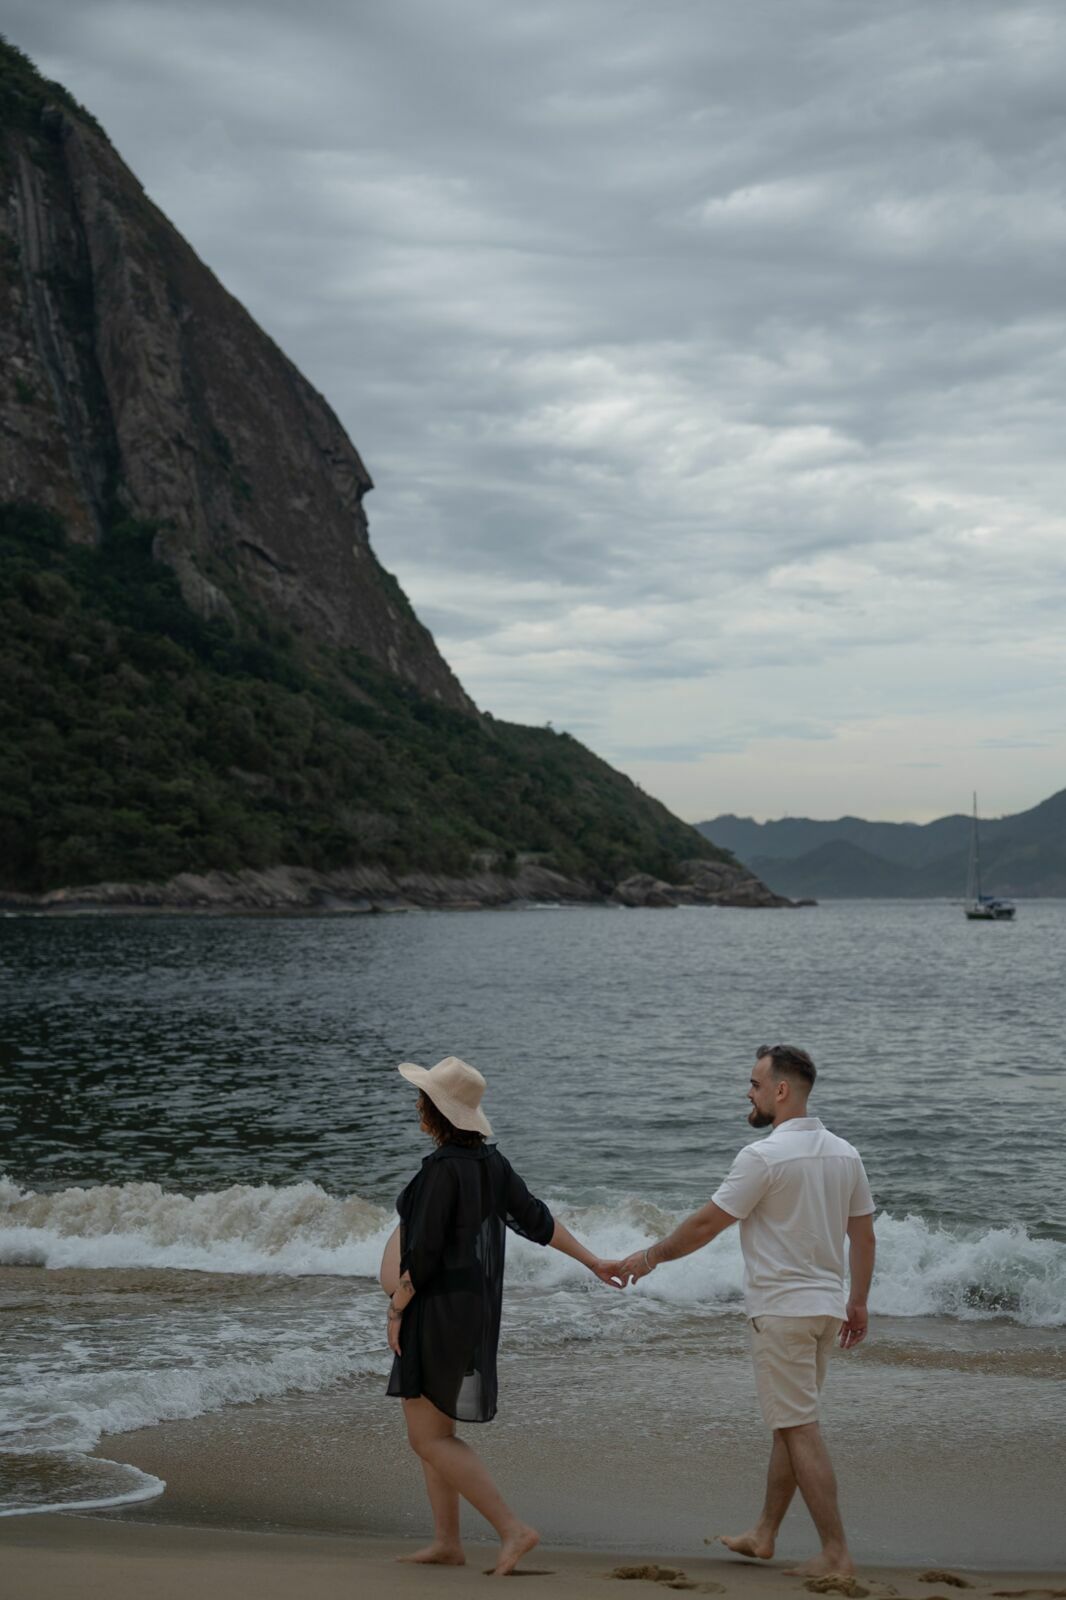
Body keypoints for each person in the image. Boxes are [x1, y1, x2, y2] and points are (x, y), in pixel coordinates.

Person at [610, 1043, 875, 1578]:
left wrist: (647, 1257)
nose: (747, 1093)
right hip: (825, 1312)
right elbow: (863, 1235)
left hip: (782, 1313)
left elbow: (708, 1224)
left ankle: (836, 1552)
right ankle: (765, 1533)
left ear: (781, 1091)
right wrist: (858, 1301)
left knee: (800, 1427)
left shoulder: (763, 1157)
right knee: (790, 1424)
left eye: (754, 1084)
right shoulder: (845, 1152)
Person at [383, 1054, 619, 1576]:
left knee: (428, 1438)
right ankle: (448, 1542)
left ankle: (513, 1529)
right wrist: (593, 1260)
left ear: (431, 1112)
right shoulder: (492, 1164)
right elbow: (536, 1219)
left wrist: (396, 1309)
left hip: (435, 1310)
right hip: (472, 1309)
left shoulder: (441, 1171)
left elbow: (420, 1257)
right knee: (437, 1433)